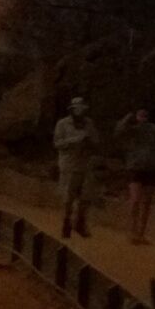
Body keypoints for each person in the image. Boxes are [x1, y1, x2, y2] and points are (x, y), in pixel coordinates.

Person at [116, 106, 155, 243]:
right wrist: (127, 117)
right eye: (140, 115)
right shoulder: (133, 130)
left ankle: (141, 233)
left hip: (150, 168)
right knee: (135, 200)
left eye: (144, 115)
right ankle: (133, 232)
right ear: (137, 117)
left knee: (146, 203)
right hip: (135, 168)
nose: (142, 118)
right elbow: (118, 131)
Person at [51, 94, 100, 237]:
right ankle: (66, 223)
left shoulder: (89, 123)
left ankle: (80, 223)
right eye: (77, 108)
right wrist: (74, 140)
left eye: (82, 108)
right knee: (68, 197)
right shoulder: (62, 124)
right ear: (72, 109)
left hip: (85, 163)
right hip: (69, 165)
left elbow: (96, 141)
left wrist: (89, 141)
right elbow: (57, 143)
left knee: (86, 196)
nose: (80, 111)